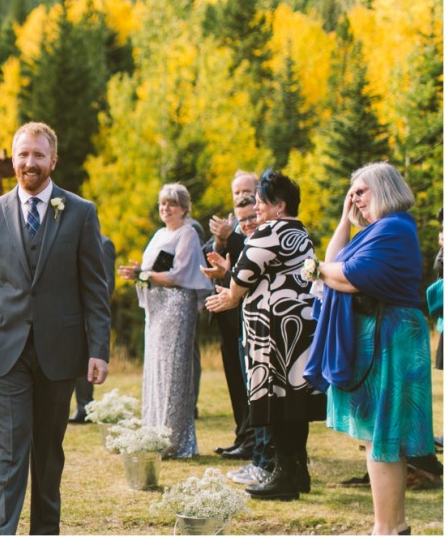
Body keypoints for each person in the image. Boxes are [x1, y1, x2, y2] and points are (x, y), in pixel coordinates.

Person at [0, 122, 111, 534]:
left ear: (53, 160)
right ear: (12, 160)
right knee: (10, 449)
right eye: (23, 154)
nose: (30, 162)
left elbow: (95, 287)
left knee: (49, 453)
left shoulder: (81, 211)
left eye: (38, 155)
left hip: (62, 350)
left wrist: (99, 349)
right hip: (5, 350)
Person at [303, 162, 435, 534]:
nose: (355, 198)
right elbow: (334, 262)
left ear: (384, 188)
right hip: (379, 335)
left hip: (393, 339)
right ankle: (390, 526)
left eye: (361, 191)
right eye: (352, 192)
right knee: (377, 437)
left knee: (386, 437)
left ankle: (389, 528)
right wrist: (344, 220)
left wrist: (318, 269)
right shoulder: (375, 230)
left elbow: (347, 277)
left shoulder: (394, 228)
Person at [205, 169, 326, 501]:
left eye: (261, 202)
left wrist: (230, 295)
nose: (256, 209)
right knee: (294, 404)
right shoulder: (301, 233)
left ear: (279, 205)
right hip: (300, 332)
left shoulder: (270, 231)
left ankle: (284, 476)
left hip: (274, 335)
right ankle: (298, 471)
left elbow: (243, 274)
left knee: (277, 404)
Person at [118, 183, 212, 459]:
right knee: (156, 369)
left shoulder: (188, 234)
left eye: (171, 203)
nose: (166, 208)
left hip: (176, 307)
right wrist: (138, 271)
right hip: (157, 310)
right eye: (162, 204)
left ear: (184, 208)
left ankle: (174, 438)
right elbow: (150, 270)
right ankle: (154, 430)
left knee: (173, 371)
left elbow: (178, 275)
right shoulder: (160, 234)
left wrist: (142, 276)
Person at [203, 197, 276, 485]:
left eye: (251, 217)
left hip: (264, 331)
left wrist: (227, 275)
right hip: (245, 330)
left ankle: (265, 460)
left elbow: (253, 282)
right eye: (242, 220)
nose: (247, 224)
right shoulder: (246, 243)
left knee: (260, 397)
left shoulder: (266, 243)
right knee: (250, 395)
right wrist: (226, 273)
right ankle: (257, 457)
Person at [70, 233, 116, 423]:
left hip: (88, 311)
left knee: (85, 358)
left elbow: (107, 283)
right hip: (71, 312)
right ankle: (82, 406)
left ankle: (85, 406)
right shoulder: (73, 240)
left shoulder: (104, 243)